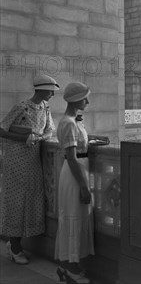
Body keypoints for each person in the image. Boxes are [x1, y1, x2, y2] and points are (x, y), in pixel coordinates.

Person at [0, 74, 58, 264]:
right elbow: (1, 129)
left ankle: (15, 242)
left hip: (33, 162)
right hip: (16, 160)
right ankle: (15, 246)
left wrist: (40, 137)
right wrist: (23, 138)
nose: (52, 95)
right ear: (40, 89)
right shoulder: (22, 107)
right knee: (16, 201)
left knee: (31, 199)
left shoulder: (45, 108)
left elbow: (50, 129)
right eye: (50, 91)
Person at [55, 82, 94, 284]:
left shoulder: (73, 121)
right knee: (73, 217)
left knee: (74, 216)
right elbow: (71, 157)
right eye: (84, 97)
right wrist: (84, 186)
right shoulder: (69, 123)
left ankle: (67, 264)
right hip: (74, 173)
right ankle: (70, 267)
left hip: (76, 170)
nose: (87, 101)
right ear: (75, 99)